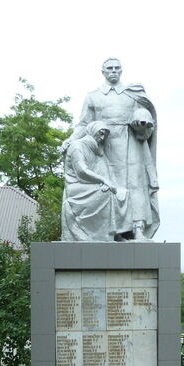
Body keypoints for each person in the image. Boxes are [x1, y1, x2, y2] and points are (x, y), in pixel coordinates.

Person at [63, 58, 159, 241]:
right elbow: (83, 124)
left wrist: (142, 123)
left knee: (136, 185)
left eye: (117, 68)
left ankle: (137, 228)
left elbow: (146, 119)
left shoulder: (132, 94)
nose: (113, 71)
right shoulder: (92, 96)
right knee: (111, 187)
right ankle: (114, 231)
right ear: (103, 71)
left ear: (121, 71)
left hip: (131, 144)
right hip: (104, 145)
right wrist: (70, 139)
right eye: (109, 68)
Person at [60, 121, 117, 241]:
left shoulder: (96, 150)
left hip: (88, 185)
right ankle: (99, 235)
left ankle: (109, 234)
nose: (102, 138)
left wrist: (105, 182)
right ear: (92, 131)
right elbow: (82, 171)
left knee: (116, 192)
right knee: (106, 192)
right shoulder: (77, 146)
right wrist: (104, 180)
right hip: (75, 187)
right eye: (100, 133)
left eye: (104, 136)